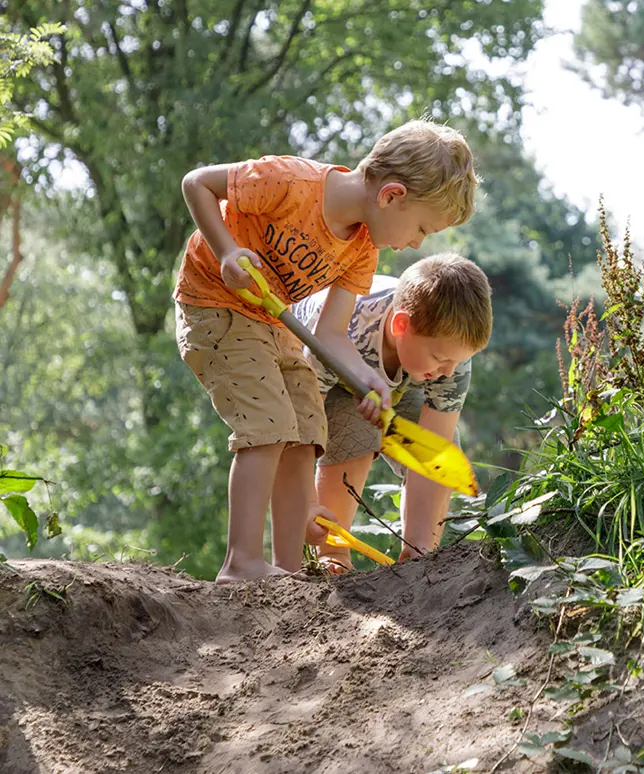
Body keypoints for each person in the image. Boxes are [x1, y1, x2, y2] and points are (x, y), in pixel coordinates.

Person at [173, 120, 478, 583]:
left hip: (270, 321)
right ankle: (242, 562)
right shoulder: (290, 182)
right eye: (420, 228)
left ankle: (288, 569)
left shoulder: (360, 250)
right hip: (214, 303)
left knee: (306, 424)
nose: (415, 243)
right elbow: (197, 183)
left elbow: (330, 334)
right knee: (269, 423)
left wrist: (367, 380)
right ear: (391, 196)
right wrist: (228, 251)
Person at [298, 253, 492, 572]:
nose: (449, 371)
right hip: (323, 375)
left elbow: (434, 451)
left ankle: (418, 554)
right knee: (356, 433)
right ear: (401, 325)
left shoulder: (448, 360)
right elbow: (303, 425)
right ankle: (333, 552)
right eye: (441, 359)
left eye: (457, 361)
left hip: (403, 380)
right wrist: (304, 504)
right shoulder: (349, 326)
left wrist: (420, 547)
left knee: (440, 449)